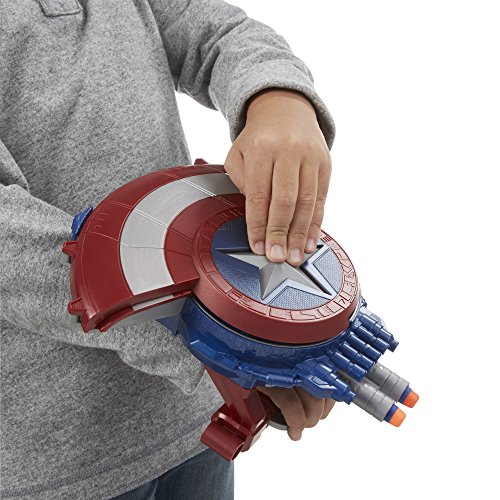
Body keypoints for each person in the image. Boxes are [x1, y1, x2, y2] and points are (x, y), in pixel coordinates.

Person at [0, 1, 335, 498]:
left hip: (197, 419)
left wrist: (278, 96)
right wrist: (219, 339)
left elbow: (214, 31)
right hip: (57, 461)